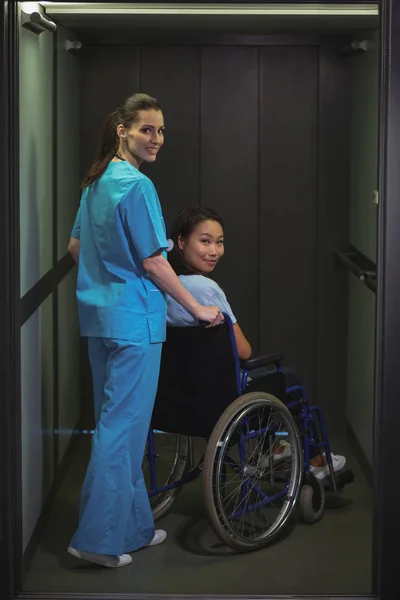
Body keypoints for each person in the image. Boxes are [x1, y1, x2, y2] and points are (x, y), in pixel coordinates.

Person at [66, 94, 222, 569]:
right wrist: (196, 306)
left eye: (160, 131)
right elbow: (155, 262)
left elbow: (76, 248)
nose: (155, 139)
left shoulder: (96, 183)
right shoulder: (136, 186)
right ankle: (97, 538)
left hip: (99, 319)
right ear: (123, 130)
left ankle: (131, 527)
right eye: (146, 130)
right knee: (123, 432)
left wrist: (107, 279)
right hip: (134, 324)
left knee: (120, 427)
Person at [166, 206, 347, 481]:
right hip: (219, 396)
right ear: (181, 241)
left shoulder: (160, 287)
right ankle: (312, 457)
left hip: (179, 395)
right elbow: (243, 350)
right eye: (205, 241)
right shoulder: (206, 290)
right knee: (288, 378)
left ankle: (273, 448)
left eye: (219, 242)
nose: (214, 250)